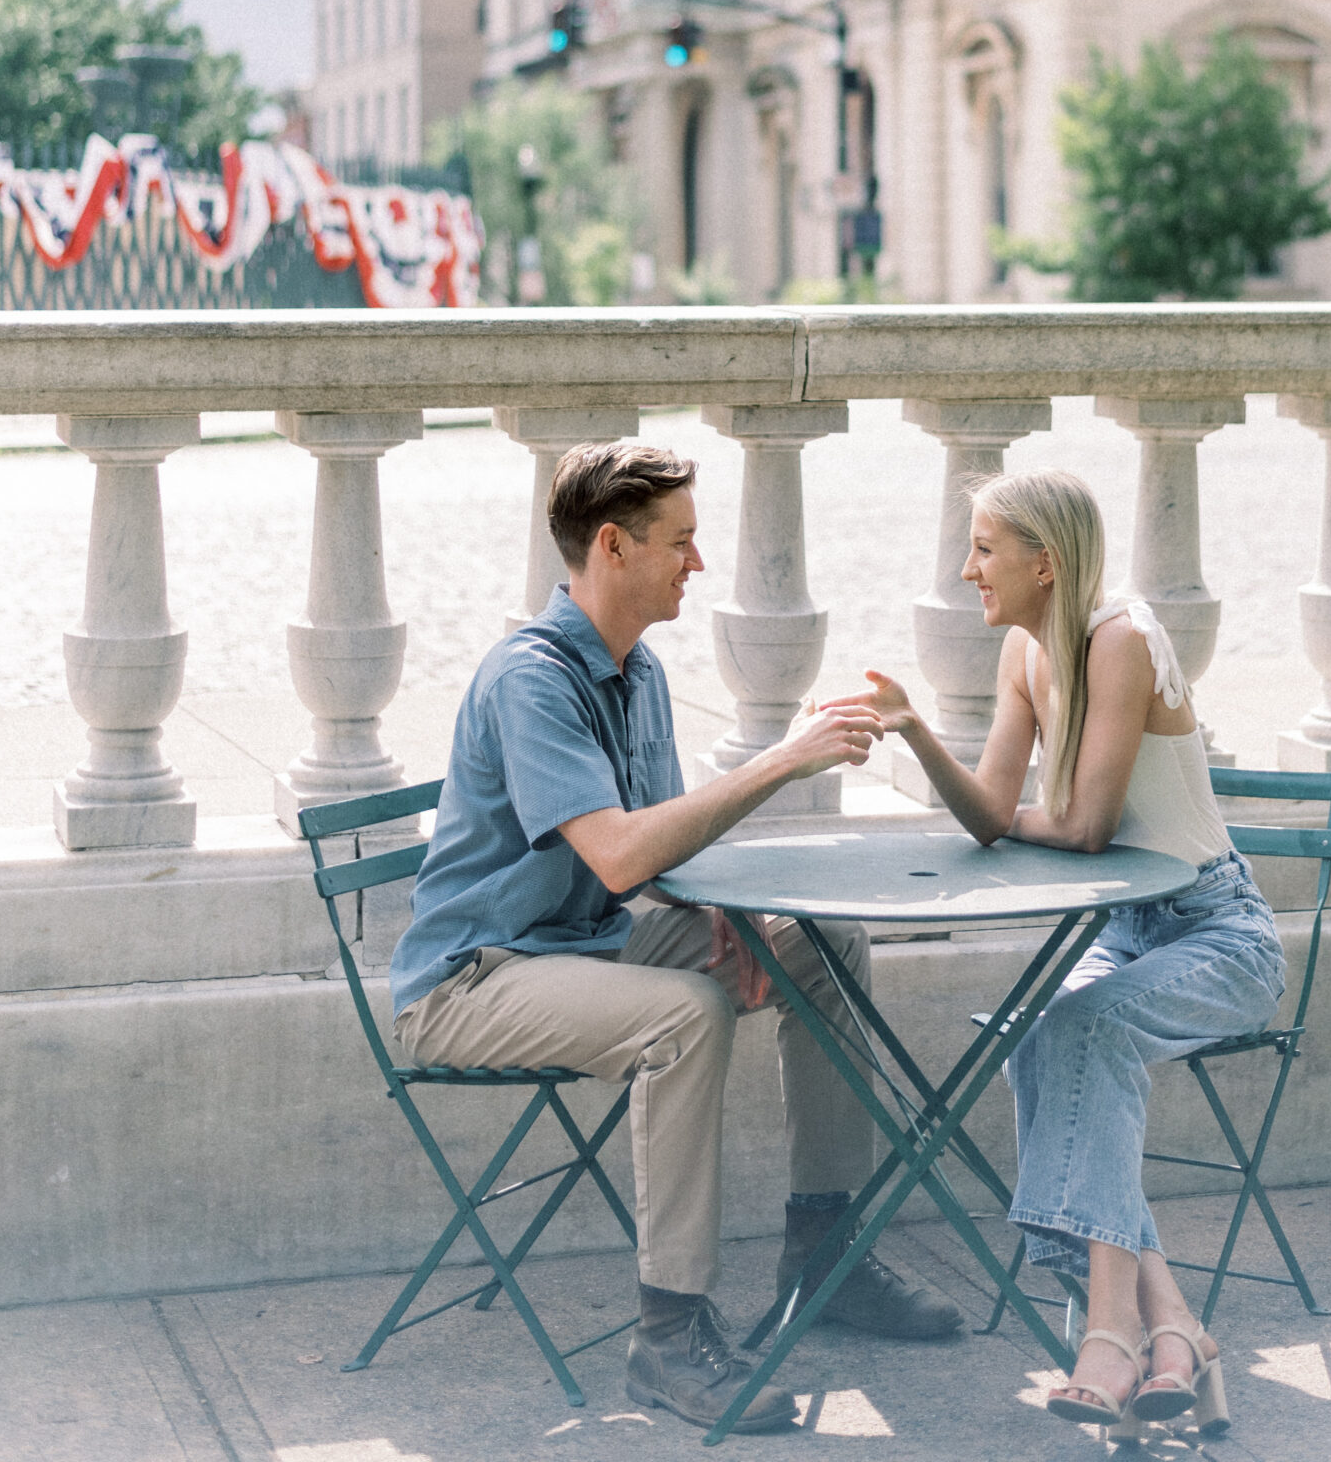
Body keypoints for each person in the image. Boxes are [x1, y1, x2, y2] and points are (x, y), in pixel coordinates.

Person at [388, 440, 961, 1435]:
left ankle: (824, 1252)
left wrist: (725, 919)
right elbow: (616, 855)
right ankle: (668, 1337)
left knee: (826, 948)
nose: (697, 564)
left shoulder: (636, 670)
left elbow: (663, 854)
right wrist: (781, 759)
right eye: (681, 542)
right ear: (611, 546)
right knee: (687, 1016)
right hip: (474, 978)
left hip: (577, 947)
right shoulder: (530, 677)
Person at [822, 466, 1284, 1441]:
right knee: (1039, 1033)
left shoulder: (1117, 639)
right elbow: (995, 814)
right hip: (1123, 931)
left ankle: (1106, 1329)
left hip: (1217, 934)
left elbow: (1079, 826)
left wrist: (1022, 815)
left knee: (1080, 1030)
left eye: (983, 549)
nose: (964, 568)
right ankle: (1174, 1331)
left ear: (1044, 560)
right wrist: (912, 731)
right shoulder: (1025, 657)